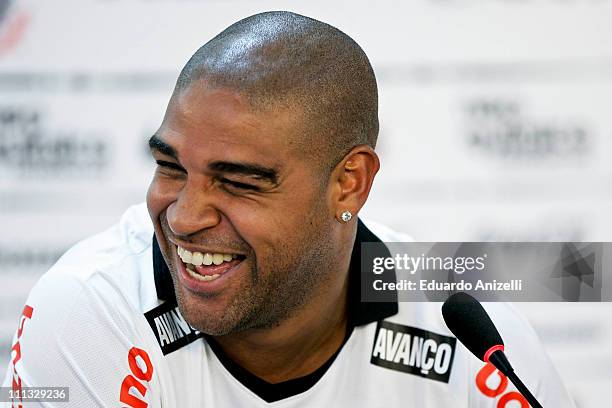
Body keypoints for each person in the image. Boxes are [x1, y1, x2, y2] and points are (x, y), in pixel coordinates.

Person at [3, 11, 575, 407]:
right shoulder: (89, 306)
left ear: (349, 184)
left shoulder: (471, 329)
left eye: (239, 183)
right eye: (172, 167)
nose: (182, 217)